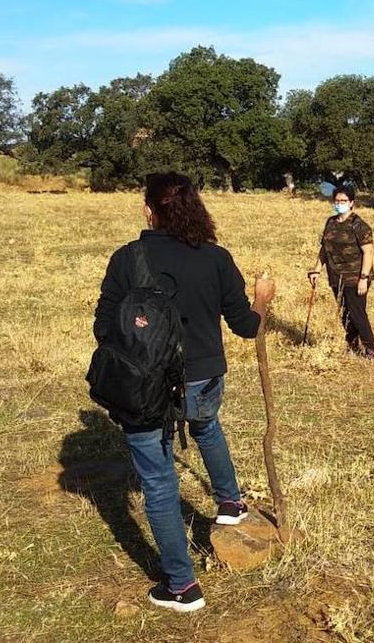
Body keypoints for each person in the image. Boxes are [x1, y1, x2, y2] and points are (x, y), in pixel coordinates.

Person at [93, 172, 273, 613]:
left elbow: (103, 327)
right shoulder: (216, 259)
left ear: (149, 210)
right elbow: (247, 327)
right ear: (196, 208)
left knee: (157, 482)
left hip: (144, 386)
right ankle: (230, 502)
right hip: (204, 378)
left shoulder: (127, 258)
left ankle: (181, 586)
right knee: (207, 425)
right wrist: (262, 298)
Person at [309, 184, 374, 358]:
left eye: (344, 200)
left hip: (355, 276)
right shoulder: (330, 222)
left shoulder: (359, 225)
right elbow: (324, 249)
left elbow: (368, 252)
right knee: (345, 313)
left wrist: (363, 277)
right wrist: (316, 270)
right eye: (337, 200)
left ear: (351, 202)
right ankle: (352, 345)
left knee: (357, 312)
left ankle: (370, 348)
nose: (340, 203)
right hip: (335, 276)